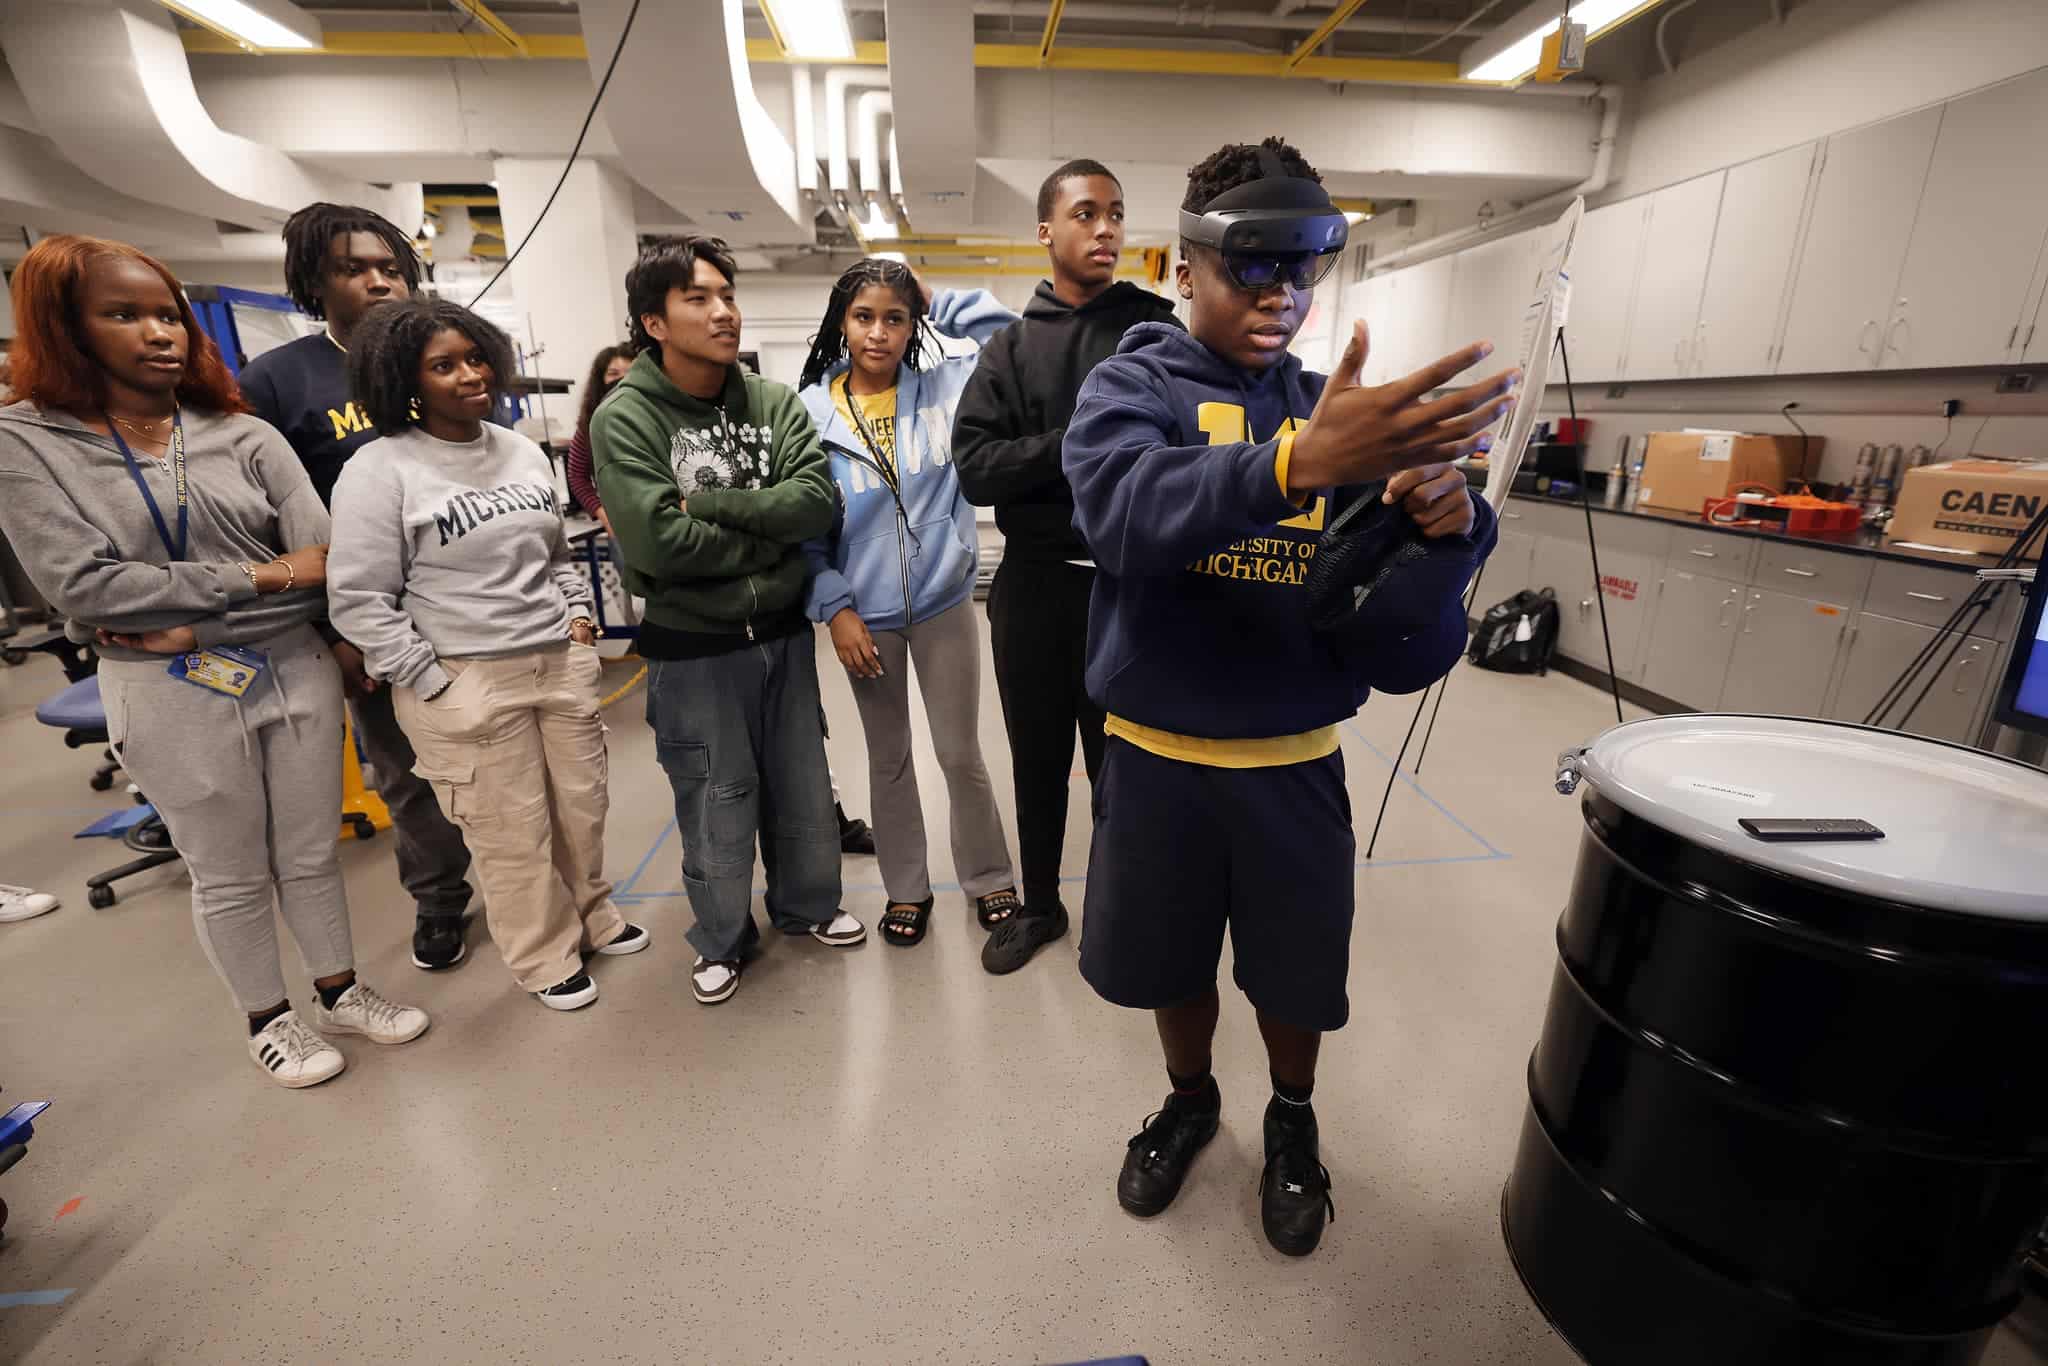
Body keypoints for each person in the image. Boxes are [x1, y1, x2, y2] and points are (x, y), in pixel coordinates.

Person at [1062, 138, 1515, 1255]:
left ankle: (1292, 1115)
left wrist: (1446, 530)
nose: (1278, 297)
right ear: (1187, 268)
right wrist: (1290, 464)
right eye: (1249, 270)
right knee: (1168, 963)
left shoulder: (1341, 413)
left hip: (1291, 760)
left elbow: (1403, 644)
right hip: (1157, 753)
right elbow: (1118, 512)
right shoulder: (1133, 385)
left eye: (1300, 275)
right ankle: (1187, 1098)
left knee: (1295, 975)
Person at [0, 234, 429, 1089]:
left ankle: (339, 989)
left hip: (290, 664)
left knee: (309, 853)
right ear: (63, 327)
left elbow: (328, 559)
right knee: (228, 868)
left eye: (168, 315)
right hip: (165, 691)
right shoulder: (27, 443)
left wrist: (186, 614)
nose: (159, 333)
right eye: (124, 315)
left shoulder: (241, 431)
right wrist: (263, 576)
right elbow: (85, 589)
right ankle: (268, 1020)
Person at [327, 299, 648, 1012]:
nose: (471, 375)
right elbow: (357, 598)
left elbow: (558, 552)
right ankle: (543, 956)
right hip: (465, 678)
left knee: (580, 809)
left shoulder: (520, 449)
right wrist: (430, 681)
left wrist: (579, 620)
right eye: (444, 366)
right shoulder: (380, 469)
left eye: (476, 359)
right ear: (403, 381)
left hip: (556, 663)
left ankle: (595, 918)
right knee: (510, 830)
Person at [591, 235, 864, 1007]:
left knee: (803, 784)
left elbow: (817, 503)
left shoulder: (772, 401)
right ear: (654, 321)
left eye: (727, 296)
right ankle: (720, 939)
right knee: (717, 796)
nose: (724, 313)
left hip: (781, 634)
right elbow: (656, 542)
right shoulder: (627, 419)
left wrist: (709, 505)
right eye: (699, 299)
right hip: (695, 648)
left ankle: (810, 906)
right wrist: (766, 536)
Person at [953, 159, 1181, 975]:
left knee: (1130, 760)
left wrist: (1055, 457)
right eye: (1087, 213)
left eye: (1117, 213)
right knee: (1038, 755)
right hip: (1038, 586)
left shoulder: (1157, 333)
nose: (1108, 229)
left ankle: (1126, 910)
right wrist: (1080, 444)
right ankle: (1042, 906)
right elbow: (977, 466)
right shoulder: (1010, 351)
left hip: (1133, 583)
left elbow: (1184, 447)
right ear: (1046, 230)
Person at [238, 203, 475, 972]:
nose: (378, 281)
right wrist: (335, 633)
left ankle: (531, 886)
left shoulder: (440, 354)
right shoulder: (278, 381)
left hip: (476, 609)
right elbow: (268, 521)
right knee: (408, 774)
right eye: (352, 268)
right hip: (370, 622)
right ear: (315, 281)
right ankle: (441, 901)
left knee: (506, 761)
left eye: (390, 267)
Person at [795, 259, 1021, 947]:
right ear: (842, 322)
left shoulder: (947, 388)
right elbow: (804, 532)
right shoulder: (808, 412)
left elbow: (1020, 346)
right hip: (867, 619)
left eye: (896, 318)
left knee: (959, 752)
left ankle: (989, 877)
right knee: (888, 757)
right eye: (864, 317)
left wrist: (942, 298)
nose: (879, 333)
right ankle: (906, 889)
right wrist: (836, 608)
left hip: (945, 603)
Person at [563, 342, 636, 529]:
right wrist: (603, 515)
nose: (623, 380)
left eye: (632, 371)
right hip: (623, 523)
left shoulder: (658, 415)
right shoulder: (591, 424)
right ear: (600, 379)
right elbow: (577, 476)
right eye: (613, 373)